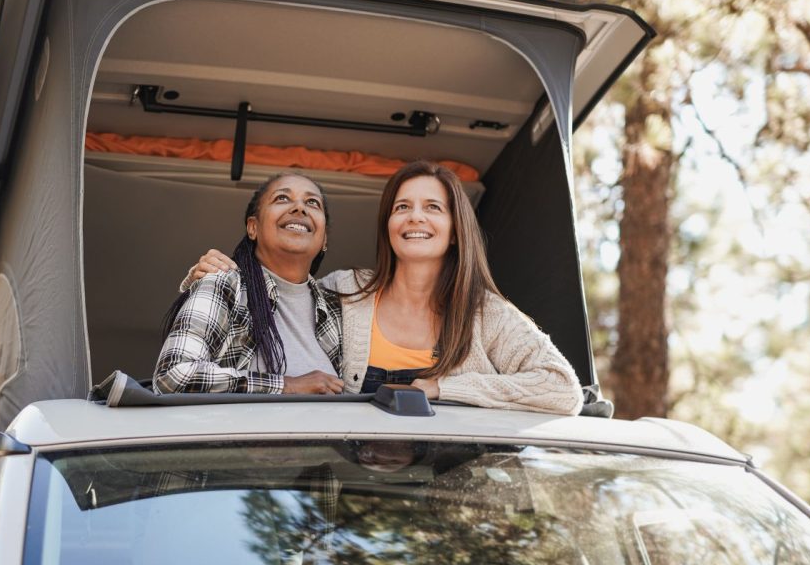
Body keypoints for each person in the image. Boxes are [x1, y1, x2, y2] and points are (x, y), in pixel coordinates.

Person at [184, 161, 583, 414]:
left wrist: (441, 387)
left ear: (456, 231)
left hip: (446, 502)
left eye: (432, 208)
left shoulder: (486, 314)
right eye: (402, 207)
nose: (415, 218)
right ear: (388, 225)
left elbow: (563, 388)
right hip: (348, 498)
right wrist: (209, 280)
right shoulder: (346, 290)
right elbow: (276, 297)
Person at [153, 174, 344, 395]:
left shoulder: (337, 309)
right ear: (253, 227)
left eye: (312, 202)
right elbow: (172, 376)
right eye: (282, 198)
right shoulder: (224, 284)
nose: (300, 208)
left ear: (324, 240)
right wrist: (287, 385)